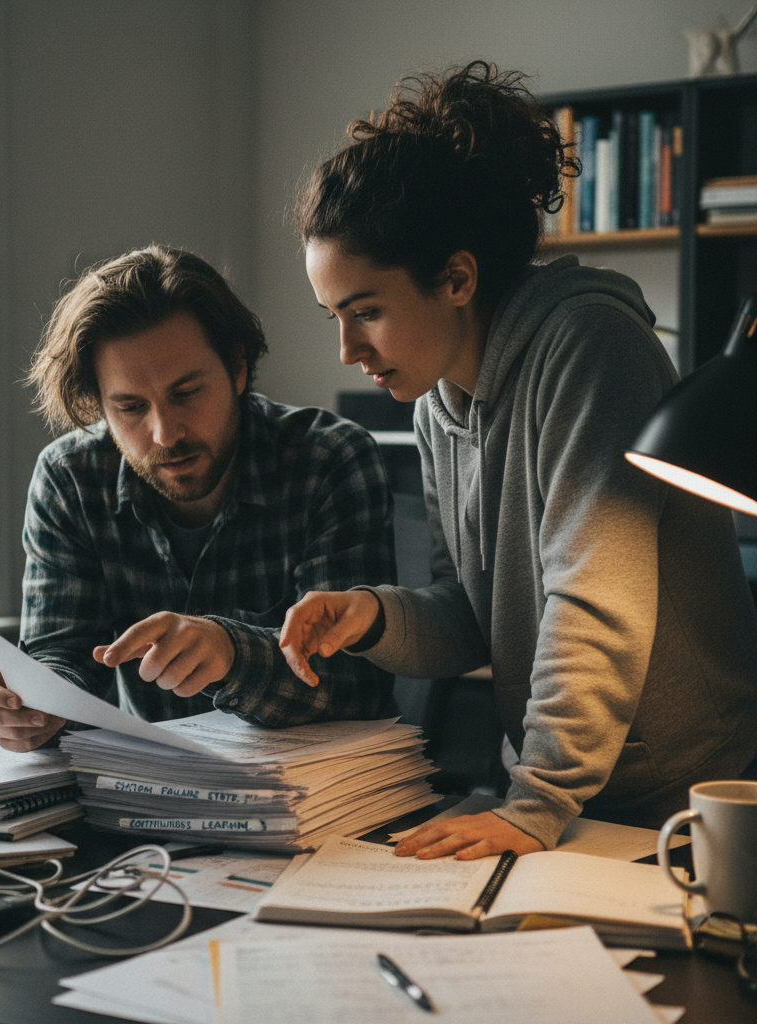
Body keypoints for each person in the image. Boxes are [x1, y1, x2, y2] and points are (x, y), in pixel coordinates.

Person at [279, 61, 757, 859]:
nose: (347, 348)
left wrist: (532, 802)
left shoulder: (592, 346)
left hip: (680, 807)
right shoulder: (437, 405)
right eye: (334, 315)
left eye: (366, 312)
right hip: (569, 803)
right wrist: (374, 616)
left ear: (457, 278)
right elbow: (474, 620)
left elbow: (593, 601)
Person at [0, 244, 397, 751]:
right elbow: (62, 655)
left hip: (319, 799)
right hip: (149, 792)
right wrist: (32, 705)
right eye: (130, 407)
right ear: (101, 408)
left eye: (187, 393)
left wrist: (232, 654)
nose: (164, 434)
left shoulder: (328, 459)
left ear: (237, 369)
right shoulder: (70, 479)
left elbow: (356, 689)